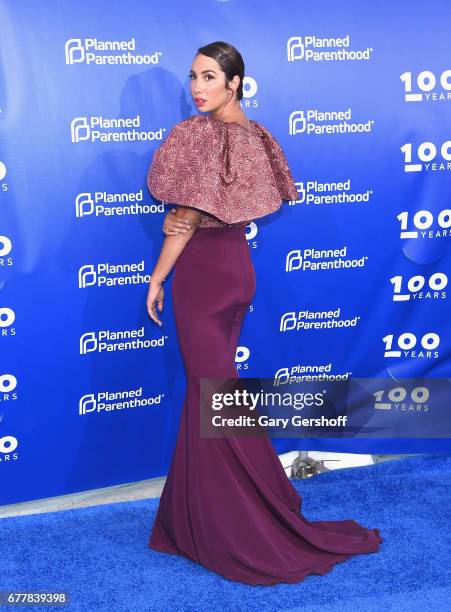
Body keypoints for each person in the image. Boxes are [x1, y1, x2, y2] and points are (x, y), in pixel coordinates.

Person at [145, 41, 383, 586]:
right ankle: (191, 518)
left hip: (204, 278)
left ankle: (246, 522)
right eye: (193, 77)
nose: (198, 87)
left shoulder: (196, 137)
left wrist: (158, 277)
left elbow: (184, 215)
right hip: (238, 273)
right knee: (216, 394)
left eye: (209, 76)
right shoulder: (258, 137)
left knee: (214, 399)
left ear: (235, 82)